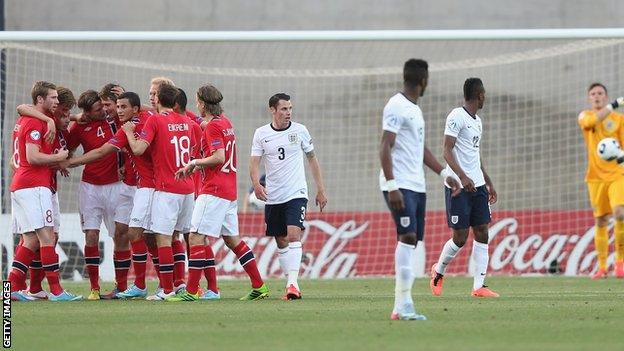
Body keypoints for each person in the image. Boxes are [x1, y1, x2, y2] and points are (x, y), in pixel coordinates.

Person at [171, 84, 269, 301]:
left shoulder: (213, 127)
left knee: (195, 236)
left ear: (204, 103)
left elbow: (218, 157)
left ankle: (190, 292)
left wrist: (194, 163)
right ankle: (259, 286)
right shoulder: (225, 122)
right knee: (232, 240)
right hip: (228, 190)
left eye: (198, 101)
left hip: (214, 190)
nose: (196, 105)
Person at [379, 59, 460, 321]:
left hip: (417, 184)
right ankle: (402, 305)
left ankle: (402, 305)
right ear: (423, 80)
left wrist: (444, 173)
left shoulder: (414, 108)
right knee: (408, 237)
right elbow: (384, 146)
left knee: (413, 240)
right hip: (399, 184)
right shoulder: (396, 106)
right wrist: (392, 186)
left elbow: (419, 149)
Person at [7, 81, 81, 301]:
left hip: (23, 185)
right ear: (40, 99)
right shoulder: (35, 123)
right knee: (47, 236)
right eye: (53, 98)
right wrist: (58, 158)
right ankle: (57, 291)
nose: (56, 102)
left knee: (30, 239)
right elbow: (32, 157)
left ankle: (12, 288)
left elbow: (16, 160)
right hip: (34, 186)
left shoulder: (29, 120)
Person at [122, 83, 197, 300]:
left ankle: (166, 290)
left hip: (166, 188)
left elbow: (138, 149)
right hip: (188, 188)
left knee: (162, 239)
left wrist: (129, 132)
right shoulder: (187, 121)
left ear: (159, 100)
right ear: (175, 102)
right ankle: (180, 284)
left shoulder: (155, 120)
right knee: (177, 237)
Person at [250, 93, 327, 300]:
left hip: (296, 193)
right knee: (281, 240)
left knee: (294, 234)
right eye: (284, 109)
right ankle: (289, 282)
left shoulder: (300, 130)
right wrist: (256, 185)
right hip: (274, 196)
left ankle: (293, 285)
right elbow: (254, 162)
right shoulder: (261, 134)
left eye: (290, 108)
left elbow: (312, 159)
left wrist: (320, 189)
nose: (288, 113)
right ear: (273, 110)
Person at [430, 77, 499, 298]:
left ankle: (479, 286)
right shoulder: (456, 116)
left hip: (477, 185)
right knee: (460, 238)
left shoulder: (478, 121)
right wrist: (462, 176)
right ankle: (438, 271)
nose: (485, 98)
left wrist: (487, 181)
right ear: (479, 95)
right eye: (484, 94)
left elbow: (475, 155)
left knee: (482, 231)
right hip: (458, 187)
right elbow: (446, 150)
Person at [66, 89, 129, 300]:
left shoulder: (114, 121)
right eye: (97, 109)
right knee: (91, 235)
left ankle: (121, 287)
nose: (103, 110)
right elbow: (69, 147)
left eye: (103, 106)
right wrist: (66, 160)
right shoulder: (79, 127)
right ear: (87, 112)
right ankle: (94, 288)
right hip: (90, 188)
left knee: (121, 234)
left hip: (116, 186)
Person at [578, 83, 624, 279]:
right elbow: (591, 122)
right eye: (593, 94)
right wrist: (614, 104)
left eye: (600, 93)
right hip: (595, 178)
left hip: (616, 175)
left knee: (620, 213)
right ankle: (602, 267)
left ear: (605, 96)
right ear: (590, 98)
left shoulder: (619, 119)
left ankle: (620, 263)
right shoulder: (585, 116)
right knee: (601, 219)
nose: (597, 96)